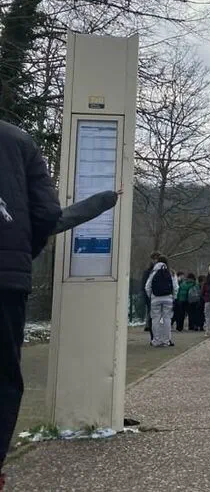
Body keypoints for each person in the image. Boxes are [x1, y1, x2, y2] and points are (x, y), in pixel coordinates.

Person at [0, 120, 62, 487]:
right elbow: (47, 213)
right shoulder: (20, 140)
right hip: (6, 280)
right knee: (4, 374)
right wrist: (21, 253)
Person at [145, 256, 179, 347]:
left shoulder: (153, 272)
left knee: (156, 319)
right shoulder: (171, 272)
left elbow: (147, 286)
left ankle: (156, 340)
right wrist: (174, 297)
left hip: (155, 299)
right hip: (168, 298)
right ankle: (166, 340)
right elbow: (176, 287)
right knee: (167, 319)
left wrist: (151, 296)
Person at [140, 251, 160, 338]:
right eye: (154, 258)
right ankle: (152, 331)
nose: (155, 260)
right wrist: (146, 295)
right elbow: (145, 285)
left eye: (157, 258)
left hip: (158, 295)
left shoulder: (162, 270)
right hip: (151, 296)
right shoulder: (148, 271)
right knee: (151, 313)